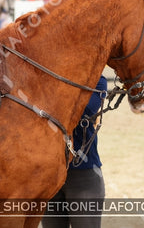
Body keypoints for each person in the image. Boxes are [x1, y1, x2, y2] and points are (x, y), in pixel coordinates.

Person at [41, 75, 107, 228]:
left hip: (84, 177)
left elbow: (80, 113)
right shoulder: (44, 74)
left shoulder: (97, 80)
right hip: (49, 176)